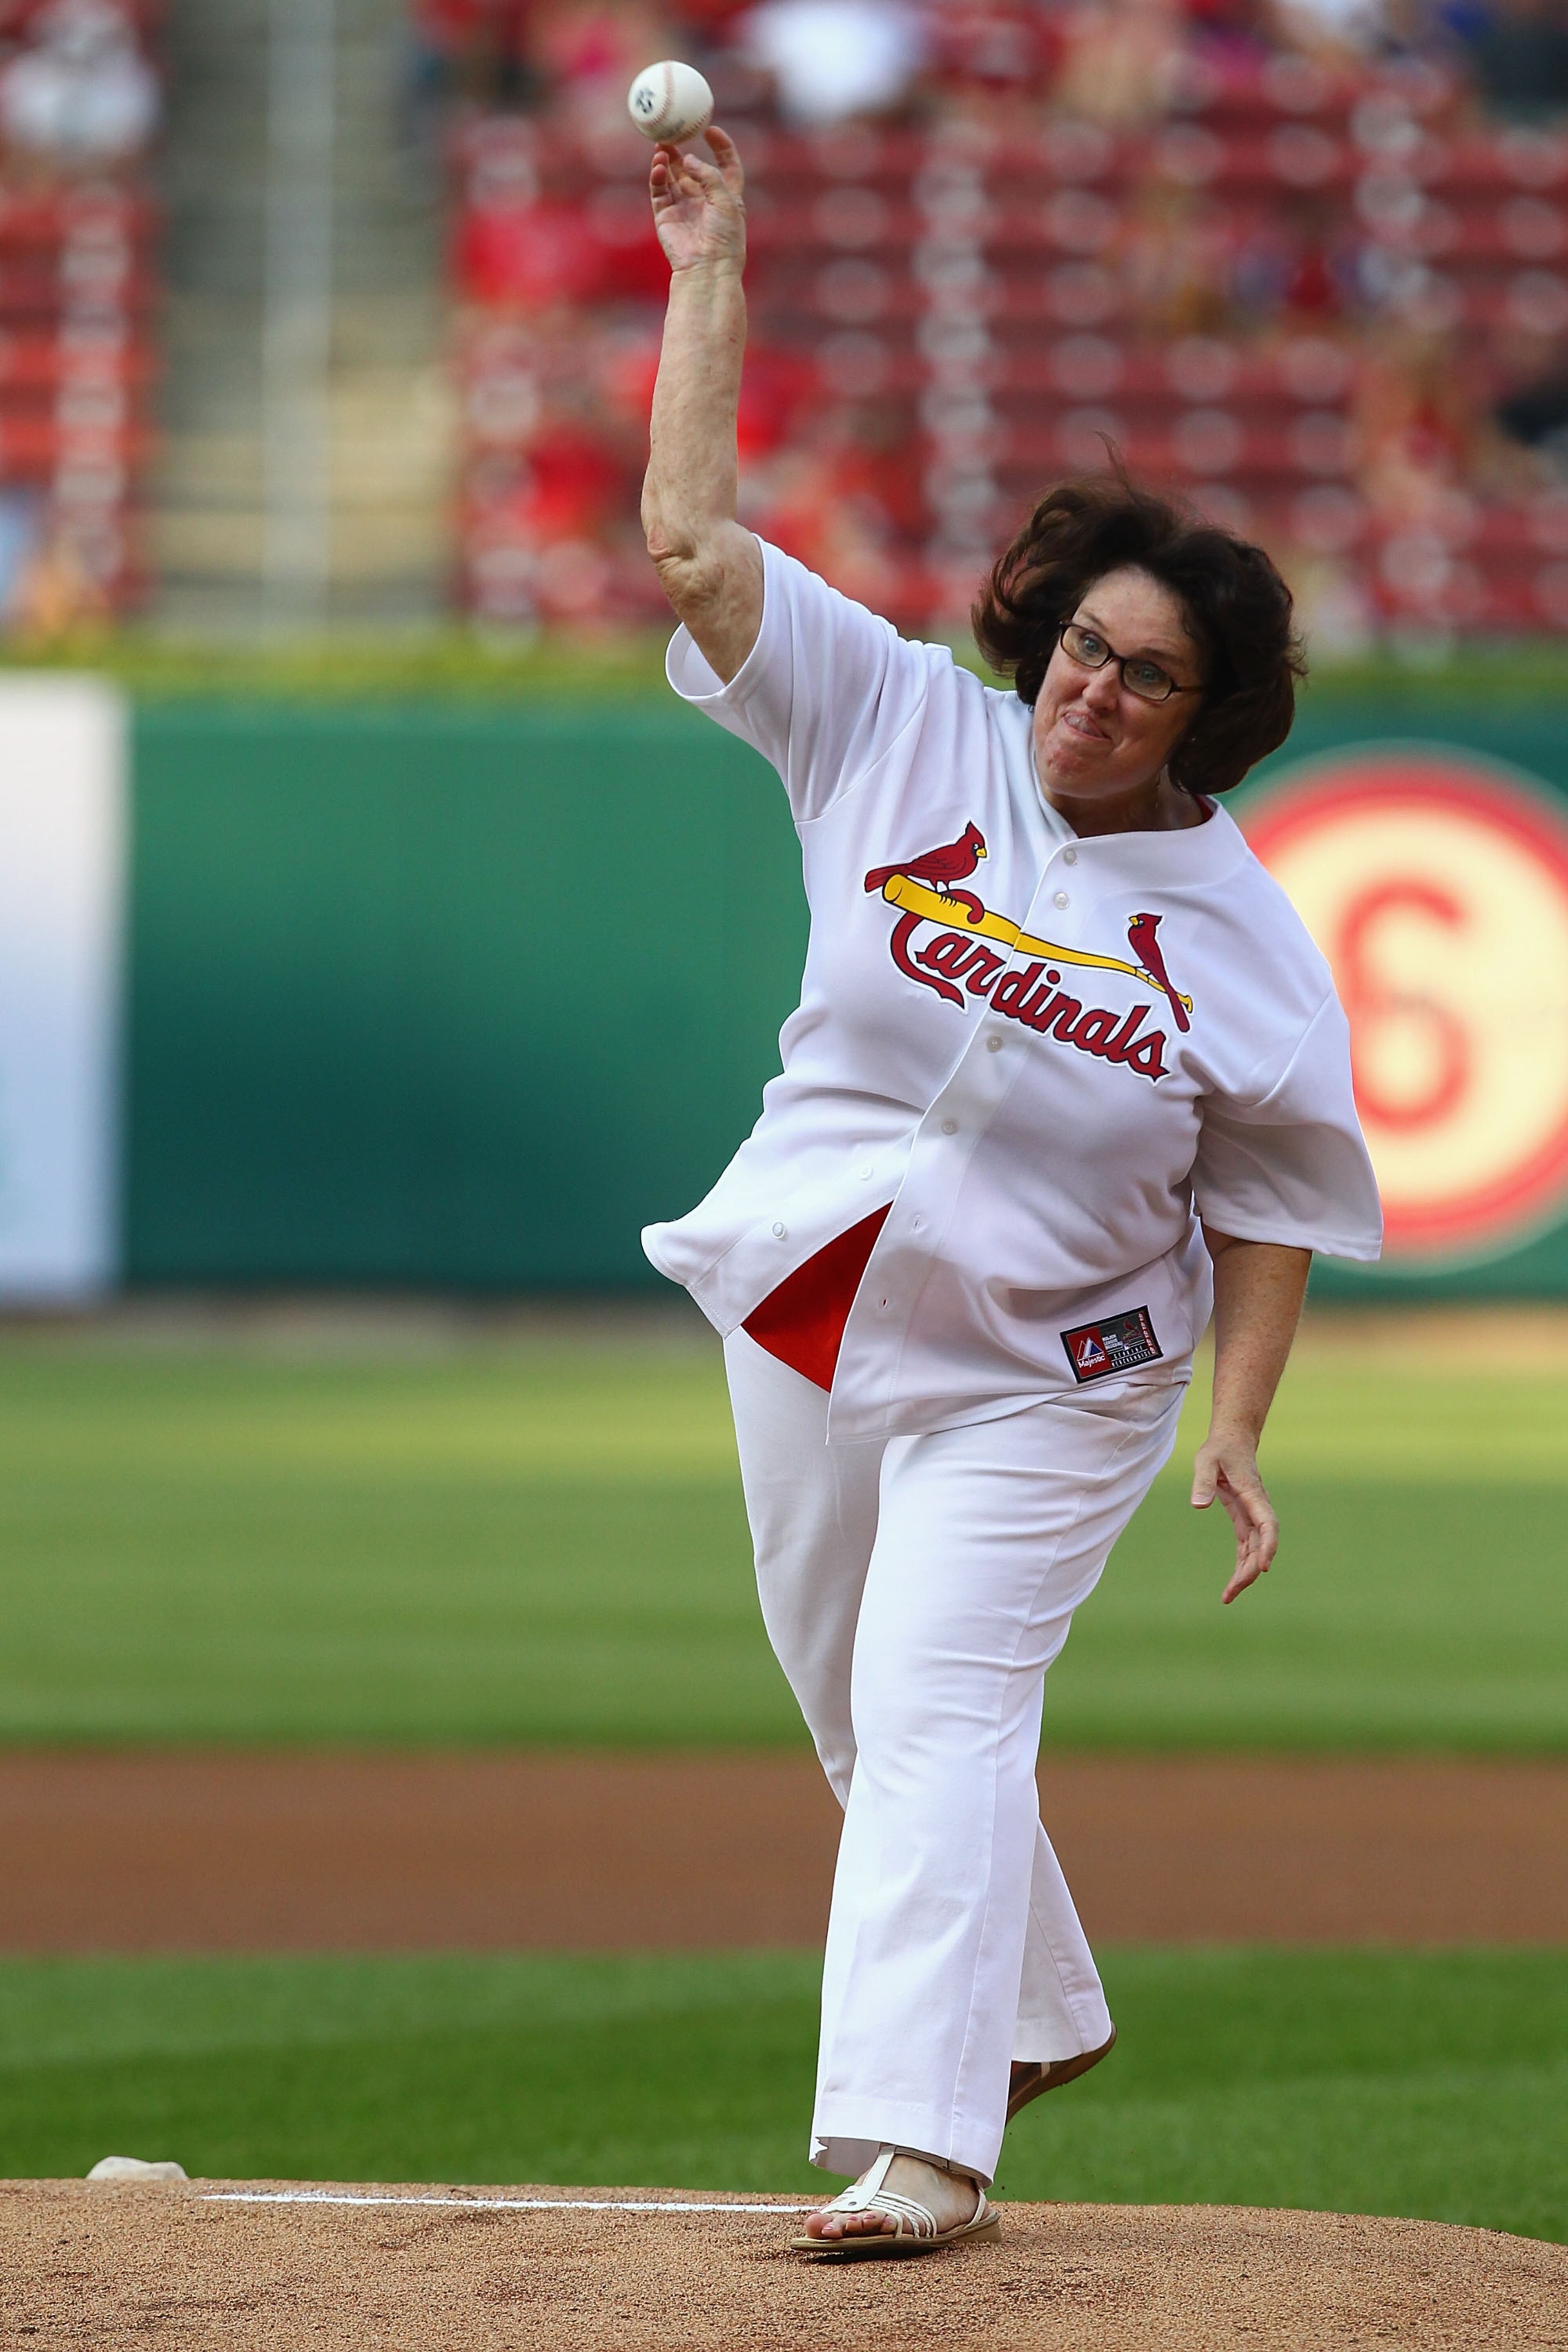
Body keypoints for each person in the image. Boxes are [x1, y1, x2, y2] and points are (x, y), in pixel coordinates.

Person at [638, 125, 1382, 2259]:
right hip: (810, 1296)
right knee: (849, 1694)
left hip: (1055, 1375)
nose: (1093, 684)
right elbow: (693, 545)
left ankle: (922, 2146)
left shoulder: (1241, 940)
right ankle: (1033, 2008)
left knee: (945, 1692)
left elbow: (1272, 1201)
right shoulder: (898, 723)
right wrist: (716, 267)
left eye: (1148, 673)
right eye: (1081, 642)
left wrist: (1234, 1427)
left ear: (1206, 718)